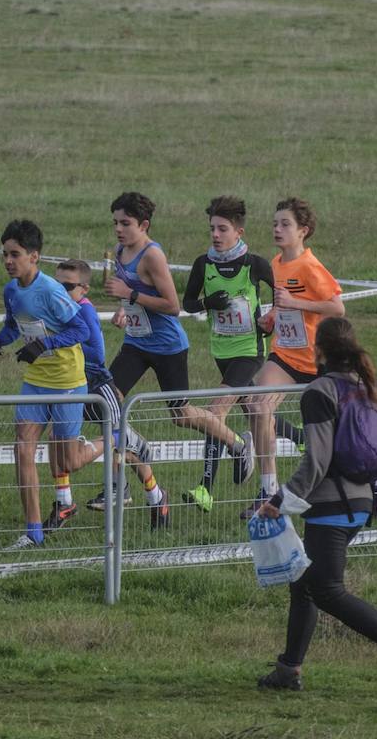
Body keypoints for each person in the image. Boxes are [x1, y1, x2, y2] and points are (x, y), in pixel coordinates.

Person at [254, 317, 377, 696]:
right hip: (362, 502)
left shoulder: (319, 392)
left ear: (319, 351)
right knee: (305, 585)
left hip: (331, 503)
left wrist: (279, 501)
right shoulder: (367, 390)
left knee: (327, 590)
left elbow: (316, 459)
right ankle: (288, 669)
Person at [0, 220, 90, 550]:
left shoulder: (51, 292)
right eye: (4, 254)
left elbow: (82, 331)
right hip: (35, 382)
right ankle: (33, 532)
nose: (7, 261)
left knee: (69, 461)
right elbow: (15, 329)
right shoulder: (11, 290)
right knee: (23, 449)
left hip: (67, 382)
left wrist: (44, 345)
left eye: (14, 254)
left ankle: (117, 438)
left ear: (34, 257)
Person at [245, 197, 345, 518]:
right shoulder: (274, 264)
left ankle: (363, 480)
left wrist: (297, 304)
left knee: (335, 430)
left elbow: (336, 308)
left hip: (317, 362)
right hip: (285, 356)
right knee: (257, 405)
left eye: (285, 224)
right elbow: (283, 303)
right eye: (275, 224)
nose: (277, 229)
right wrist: (272, 316)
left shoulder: (310, 267)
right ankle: (269, 489)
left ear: (303, 231)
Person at [51, 260, 165, 529]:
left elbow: (97, 354)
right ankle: (64, 501)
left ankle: (156, 496)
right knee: (57, 438)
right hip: (70, 383)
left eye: (66, 286)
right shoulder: (57, 309)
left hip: (98, 386)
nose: (60, 291)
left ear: (84, 289)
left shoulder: (84, 311)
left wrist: (65, 342)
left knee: (121, 446)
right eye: (56, 285)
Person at [179, 196, 274, 513]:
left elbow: (284, 294)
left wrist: (271, 320)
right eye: (212, 229)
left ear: (239, 232)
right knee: (253, 409)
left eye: (222, 229)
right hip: (221, 351)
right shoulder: (202, 265)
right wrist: (208, 304)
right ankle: (294, 438)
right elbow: (188, 303)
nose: (215, 235)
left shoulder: (255, 265)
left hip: (250, 351)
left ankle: (205, 488)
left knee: (215, 412)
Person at [102, 192, 197, 444]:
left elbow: (172, 306)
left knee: (181, 415)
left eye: (125, 224)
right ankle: (130, 451)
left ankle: (236, 442)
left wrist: (129, 295)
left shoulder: (152, 255)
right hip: (136, 342)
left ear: (143, 225)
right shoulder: (119, 250)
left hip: (167, 346)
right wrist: (124, 308)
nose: (118, 229)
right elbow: (133, 290)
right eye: (115, 223)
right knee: (108, 401)